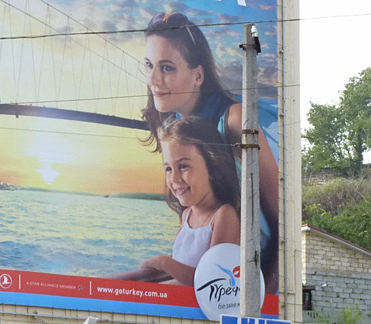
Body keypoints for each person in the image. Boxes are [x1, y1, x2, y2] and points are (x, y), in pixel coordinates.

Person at [140, 12, 280, 291]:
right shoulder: (174, 128)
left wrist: (272, 287)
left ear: (198, 75)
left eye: (167, 68)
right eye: (149, 65)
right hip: (211, 284)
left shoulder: (235, 119)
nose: (153, 79)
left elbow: (280, 211)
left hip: (246, 283)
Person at [116, 117, 240, 285]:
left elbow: (213, 279)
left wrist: (164, 263)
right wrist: (169, 263)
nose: (174, 178)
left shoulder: (223, 215)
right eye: (168, 169)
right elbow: (184, 262)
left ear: (212, 167)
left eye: (183, 166)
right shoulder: (187, 215)